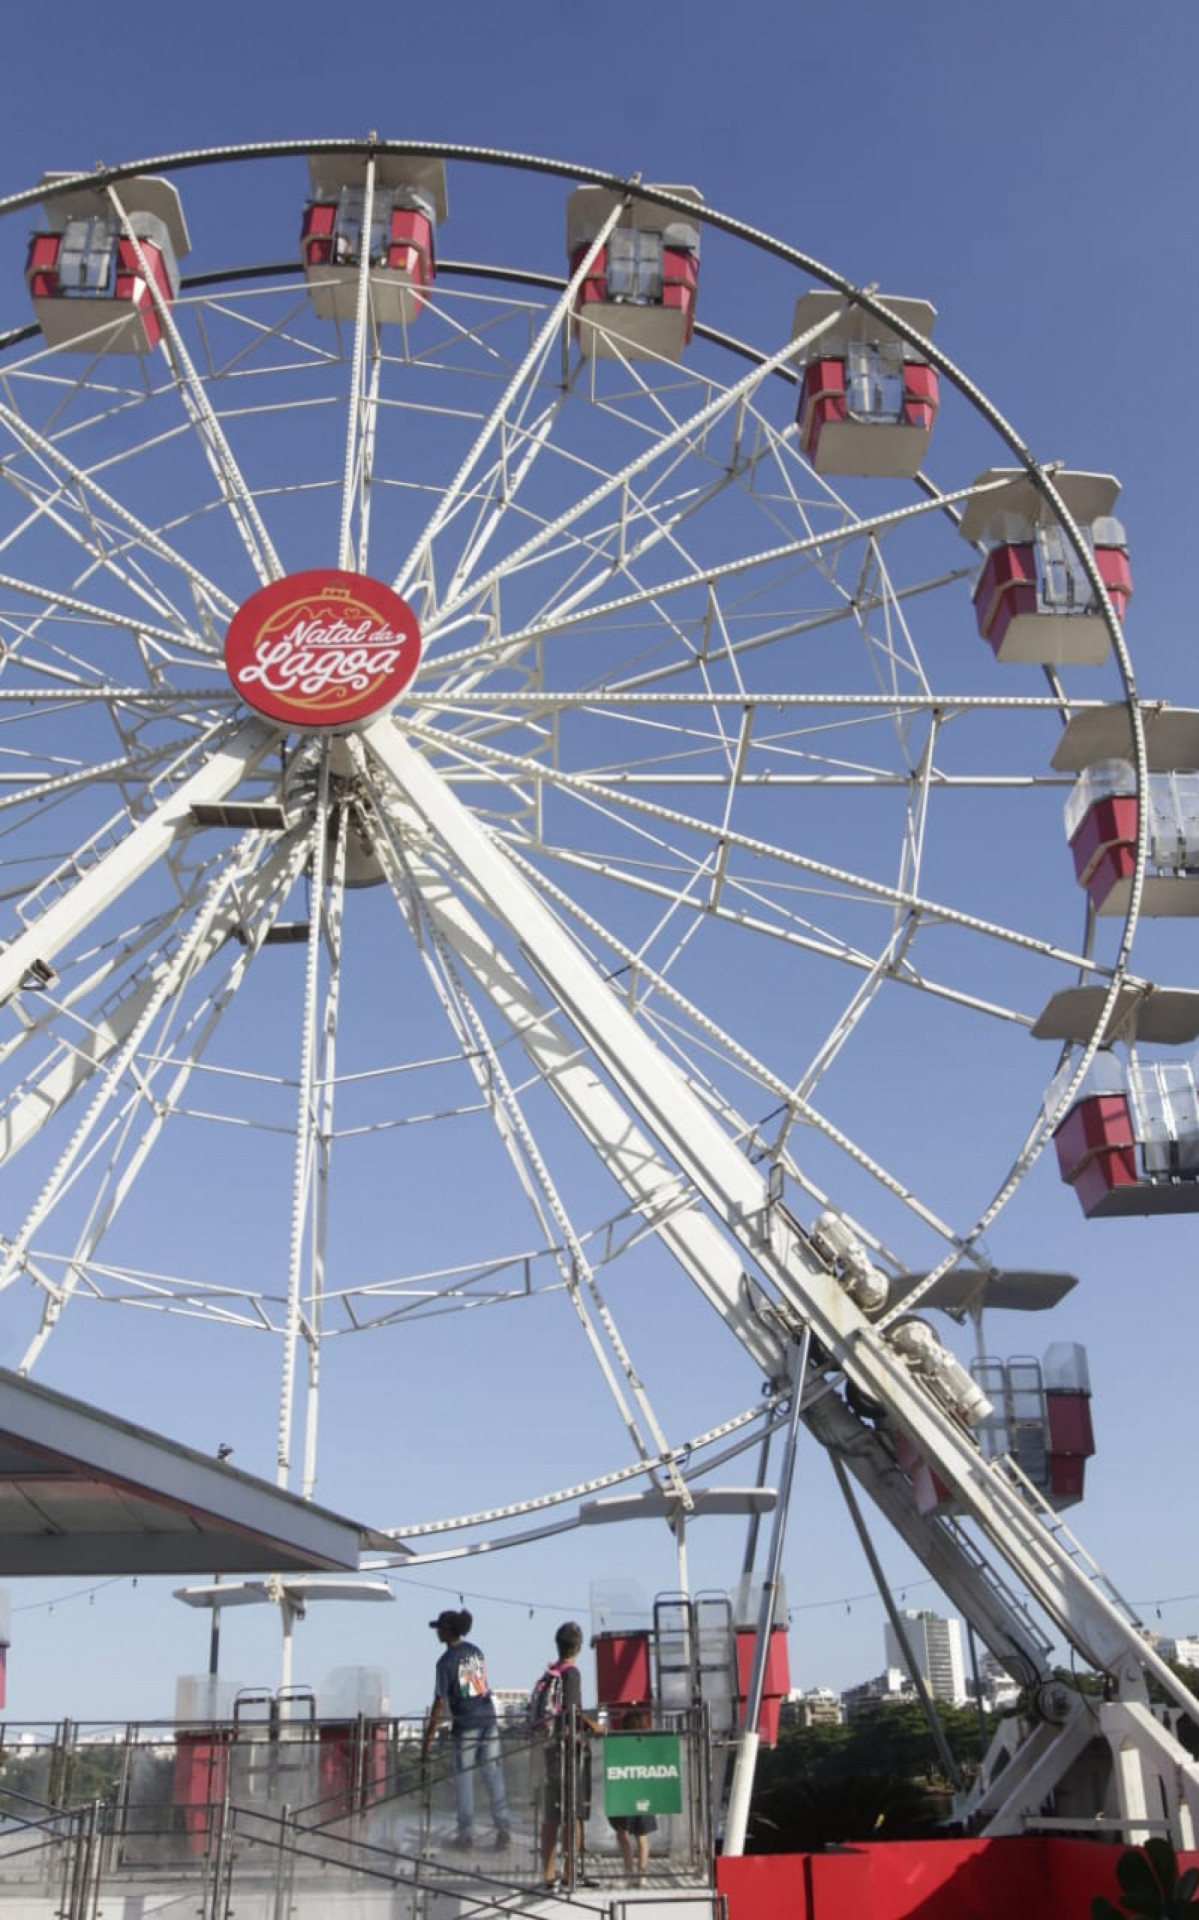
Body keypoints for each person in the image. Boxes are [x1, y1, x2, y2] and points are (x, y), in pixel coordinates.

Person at [422, 1609, 511, 1853]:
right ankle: (504, 1829)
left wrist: (428, 1737)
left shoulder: (445, 1662)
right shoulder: (475, 1652)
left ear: (448, 1630)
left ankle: (466, 1835)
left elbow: (440, 1702)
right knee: (492, 1773)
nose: (437, 1632)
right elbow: (475, 1688)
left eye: (439, 1628)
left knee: (463, 1778)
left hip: (466, 1725)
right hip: (488, 1719)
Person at [539, 1621, 602, 1890]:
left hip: (551, 1750)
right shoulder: (571, 1673)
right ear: (577, 1647)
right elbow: (573, 1710)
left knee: (552, 1815)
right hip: (570, 1752)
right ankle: (570, 1874)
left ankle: (548, 1875)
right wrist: (595, 1726)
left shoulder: (549, 1673)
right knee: (573, 1814)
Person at [608, 1708, 657, 1881]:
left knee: (624, 1834)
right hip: (644, 1791)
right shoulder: (650, 1744)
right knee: (641, 1836)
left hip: (625, 1792)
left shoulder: (620, 1743)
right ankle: (642, 1873)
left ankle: (629, 1871)